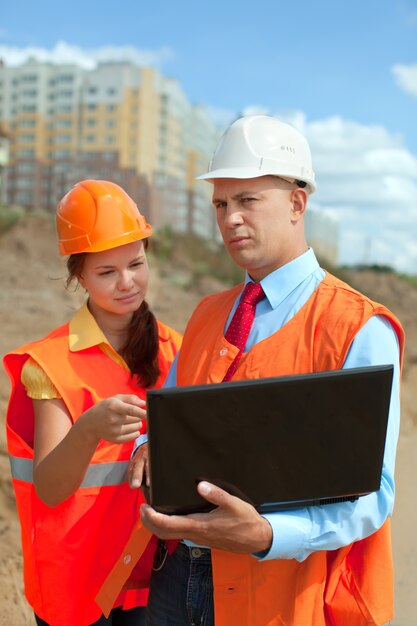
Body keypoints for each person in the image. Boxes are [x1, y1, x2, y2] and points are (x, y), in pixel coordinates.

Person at [96, 116, 405, 626]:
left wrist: (267, 535)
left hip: (275, 591)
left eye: (248, 200)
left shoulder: (358, 327)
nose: (230, 218)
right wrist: (147, 446)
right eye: (221, 204)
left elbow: (375, 493)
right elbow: (165, 421)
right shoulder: (207, 314)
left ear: (297, 204)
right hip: (177, 575)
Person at [3, 180, 182, 626]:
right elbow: (50, 488)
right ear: (78, 276)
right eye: (107, 272)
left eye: (136, 264)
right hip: (77, 579)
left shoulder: (175, 351)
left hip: (149, 574)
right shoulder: (49, 363)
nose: (127, 283)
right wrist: (87, 430)